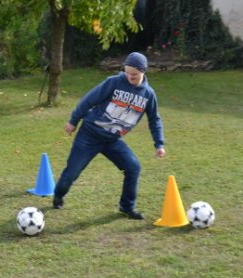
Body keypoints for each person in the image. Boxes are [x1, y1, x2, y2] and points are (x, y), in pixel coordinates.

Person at [53, 52, 166, 220]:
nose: (130, 77)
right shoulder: (114, 82)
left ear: (143, 71)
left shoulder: (148, 95)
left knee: (133, 167)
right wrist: (73, 121)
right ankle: (58, 195)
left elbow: (154, 119)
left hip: (112, 140)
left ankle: (127, 207)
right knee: (72, 172)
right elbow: (89, 100)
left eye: (134, 74)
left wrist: (159, 144)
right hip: (89, 135)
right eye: (127, 72)